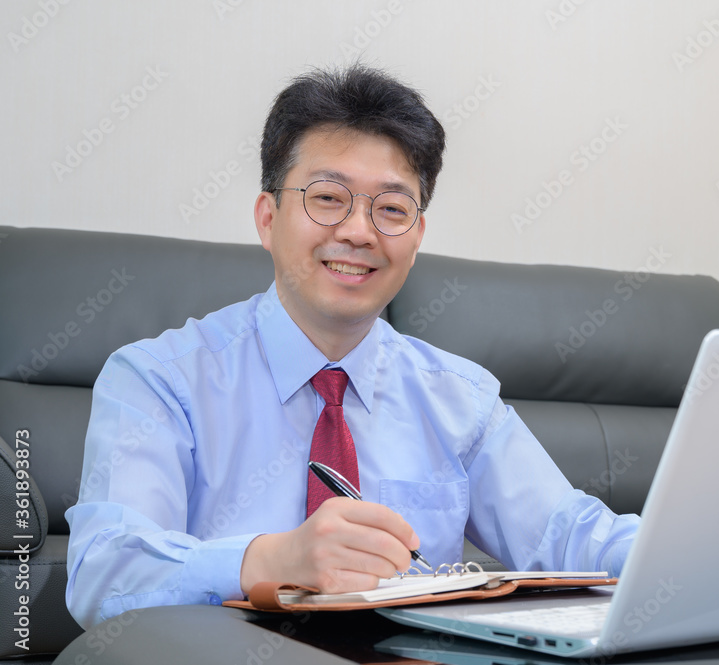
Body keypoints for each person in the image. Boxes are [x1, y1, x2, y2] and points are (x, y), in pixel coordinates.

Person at [65, 64, 640, 629]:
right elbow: (103, 574)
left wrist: (698, 547)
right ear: (269, 218)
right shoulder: (158, 379)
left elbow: (570, 535)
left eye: (391, 208)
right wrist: (273, 561)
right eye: (328, 198)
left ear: (416, 238)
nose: (359, 232)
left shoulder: (462, 400)